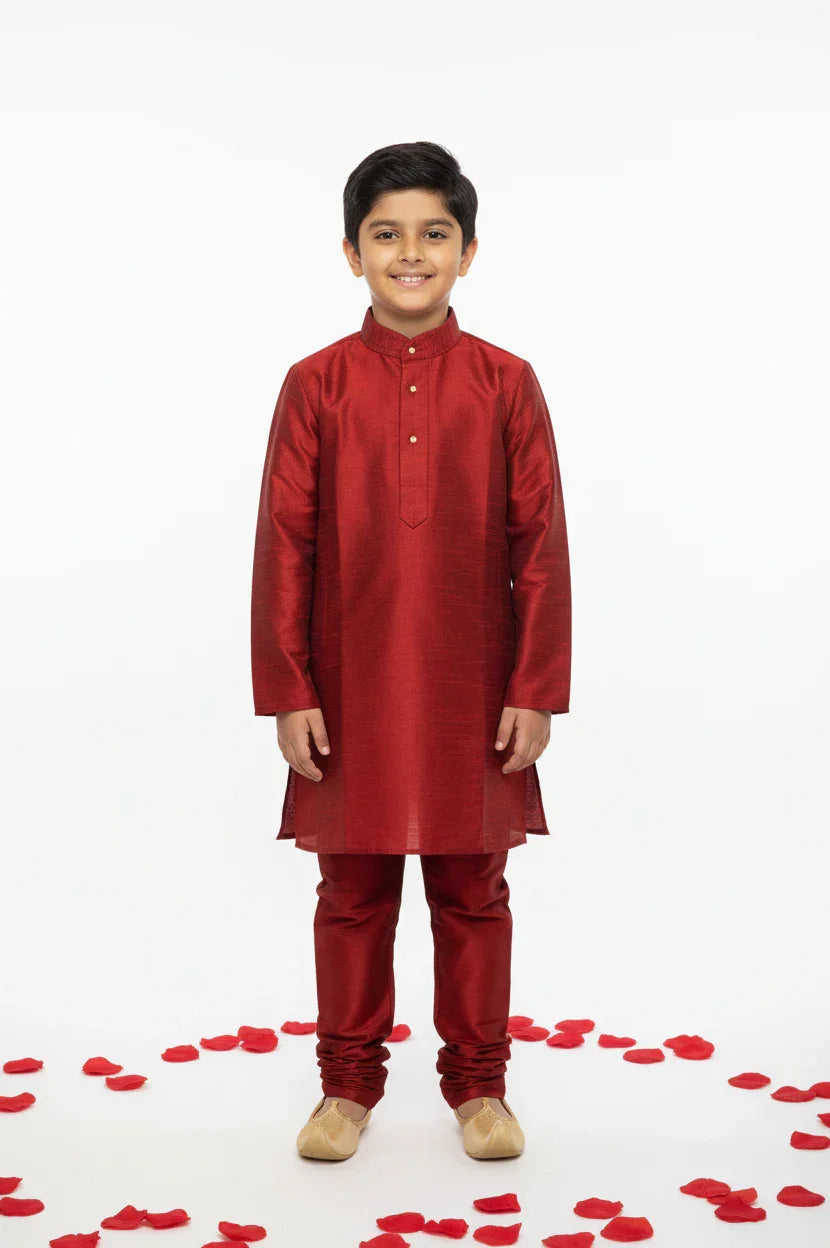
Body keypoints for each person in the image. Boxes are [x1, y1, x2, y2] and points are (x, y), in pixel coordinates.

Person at [250, 140, 572, 1161]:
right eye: (386, 234)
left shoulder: (507, 382)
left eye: (434, 233)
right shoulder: (315, 385)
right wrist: (288, 688)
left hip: (473, 684)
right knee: (350, 891)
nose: (410, 252)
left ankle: (480, 1091)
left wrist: (536, 688)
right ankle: (345, 1092)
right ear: (351, 253)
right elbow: (285, 544)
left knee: (474, 888)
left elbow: (541, 544)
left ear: (468, 252)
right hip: (346, 684)